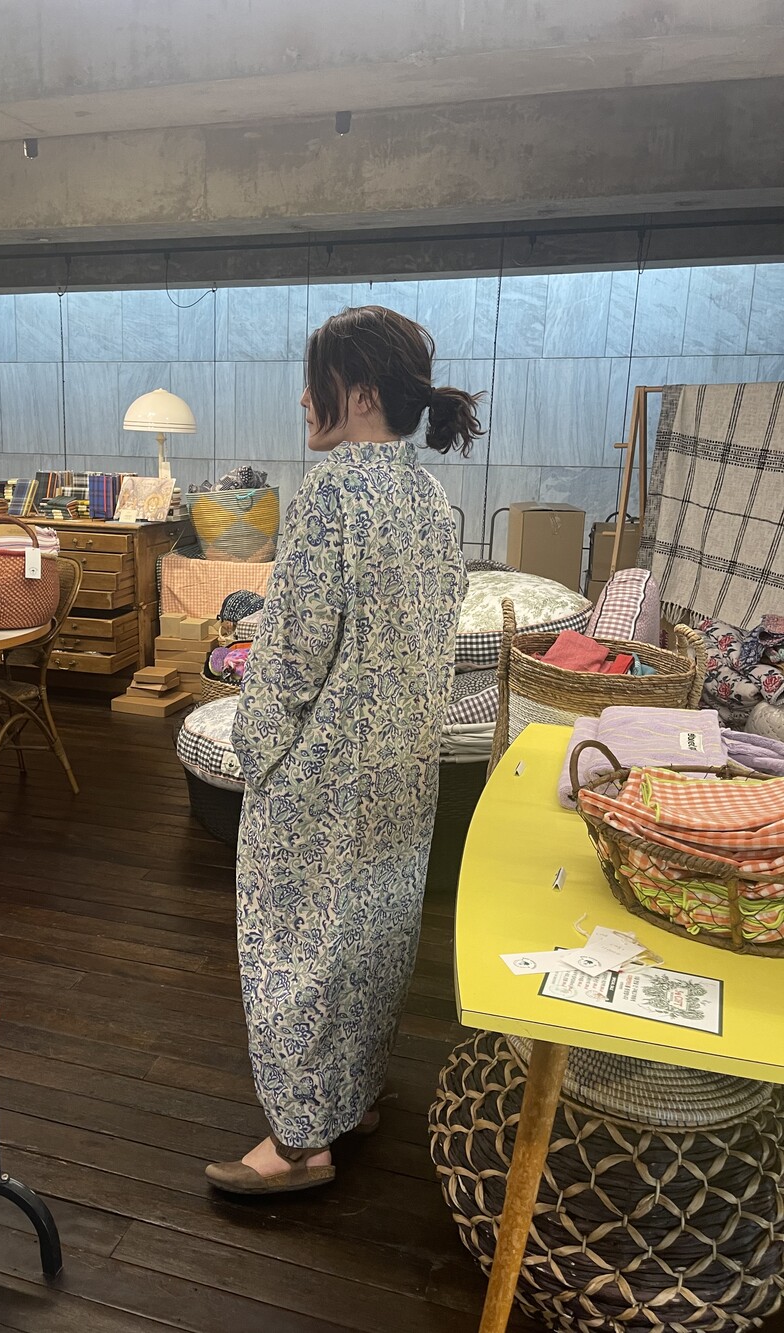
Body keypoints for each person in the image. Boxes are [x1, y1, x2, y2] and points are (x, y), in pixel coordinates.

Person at [205, 305, 482, 1196]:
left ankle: (299, 1142)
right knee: (371, 940)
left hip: (320, 782)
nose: (302, 398)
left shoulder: (331, 497)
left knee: (294, 950)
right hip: (403, 774)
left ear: (358, 392)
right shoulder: (433, 505)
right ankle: (350, 1099)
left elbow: (288, 653)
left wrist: (255, 750)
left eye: (314, 381)